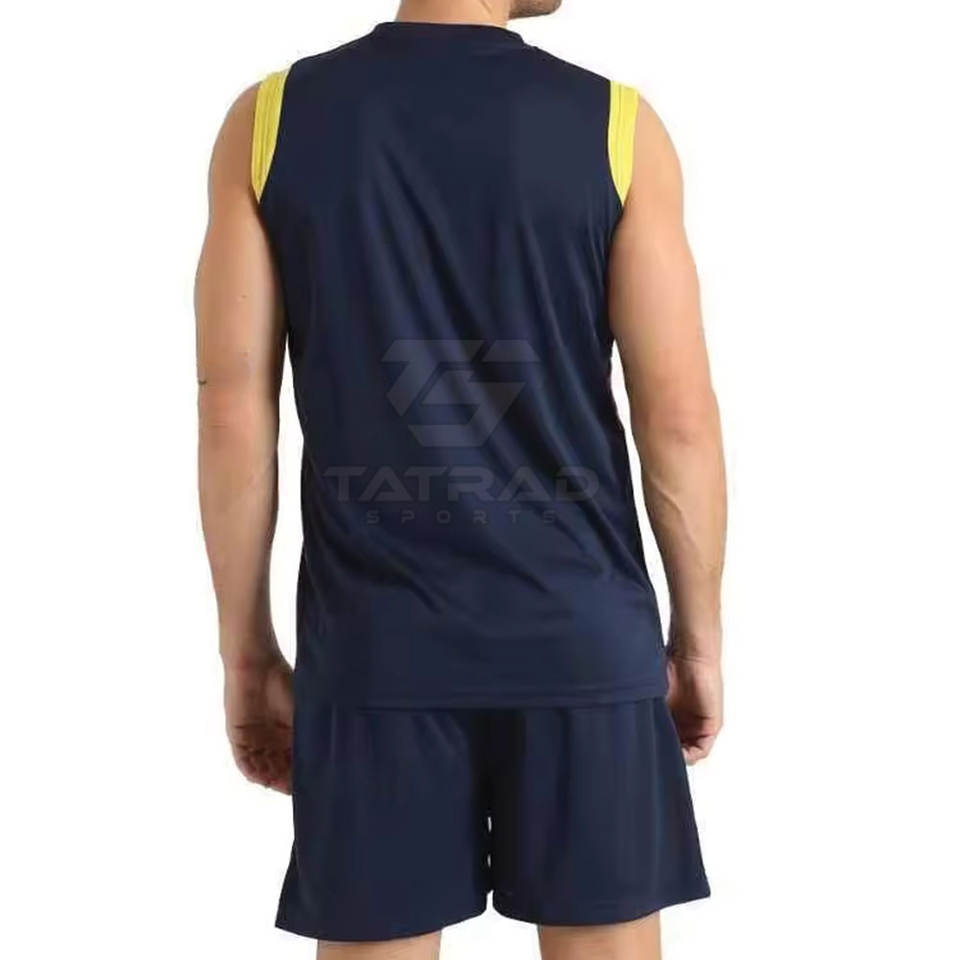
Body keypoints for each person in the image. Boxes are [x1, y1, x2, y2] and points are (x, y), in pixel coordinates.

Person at [195, 0, 726, 957]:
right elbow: (678, 419)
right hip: (579, 640)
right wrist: (698, 638)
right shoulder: (616, 127)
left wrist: (246, 653)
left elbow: (233, 414)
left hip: (374, 648)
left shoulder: (270, 122)